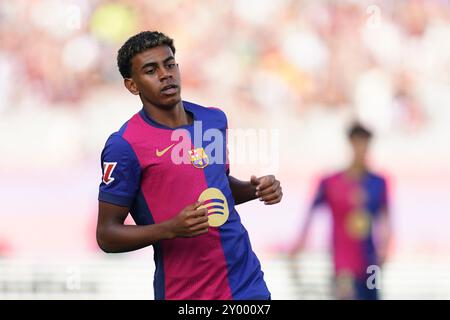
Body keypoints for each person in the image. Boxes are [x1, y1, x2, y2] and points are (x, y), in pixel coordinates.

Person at [96, 31, 283, 300]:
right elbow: (107, 235)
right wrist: (170, 228)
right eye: (151, 70)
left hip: (246, 284)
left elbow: (216, 184)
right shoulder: (124, 145)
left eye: (169, 64)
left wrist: (256, 190)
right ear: (132, 85)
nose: (165, 74)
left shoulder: (213, 120)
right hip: (186, 294)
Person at [290, 123, 391, 300]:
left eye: (365, 144)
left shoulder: (378, 182)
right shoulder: (330, 182)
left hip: (371, 263)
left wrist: (385, 248)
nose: (361, 149)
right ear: (350, 144)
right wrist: (300, 245)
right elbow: (310, 213)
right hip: (343, 264)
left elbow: (386, 219)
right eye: (358, 143)